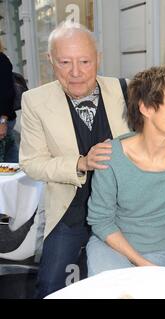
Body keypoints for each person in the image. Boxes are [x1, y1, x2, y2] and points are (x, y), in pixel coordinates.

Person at [19, 21, 130, 298]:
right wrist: (79, 163)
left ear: (98, 59)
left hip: (123, 212)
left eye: (84, 61)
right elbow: (31, 163)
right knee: (50, 286)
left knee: (120, 287)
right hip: (69, 212)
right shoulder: (34, 101)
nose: (76, 72)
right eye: (65, 62)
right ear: (50, 61)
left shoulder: (125, 90)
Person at [86, 66, 165, 275]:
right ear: (147, 108)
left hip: (160, 250)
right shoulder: (110, 154)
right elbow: (100, 221)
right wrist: (142, 263)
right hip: (111, 247)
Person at [0, 39, 19, 163]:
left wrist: (2, 122)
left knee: (9, 163)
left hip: (2, 118)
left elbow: (6, 94)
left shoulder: (1, 60)